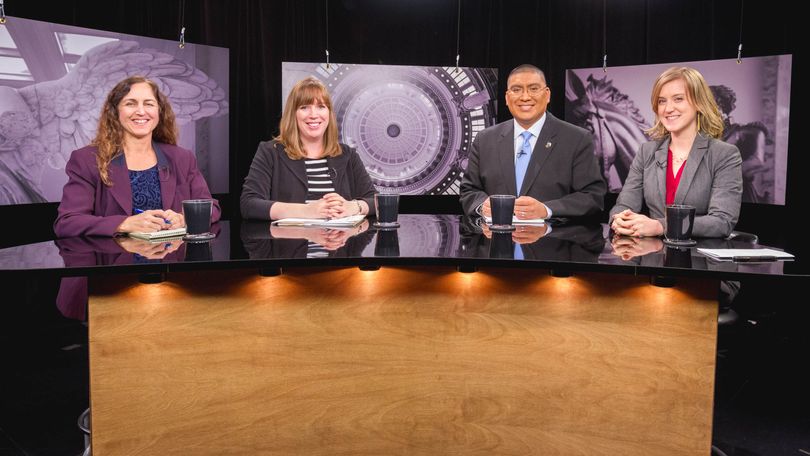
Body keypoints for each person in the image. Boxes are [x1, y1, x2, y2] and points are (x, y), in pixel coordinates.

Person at [54, 76, 221, 237]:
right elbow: (68, 222)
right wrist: (124, 224)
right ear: (115, 112)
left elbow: (211, 208)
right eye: (130, 104)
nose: (141, 112)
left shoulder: (182, 158)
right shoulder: (86, 160)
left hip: (171, 261)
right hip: (117, 262)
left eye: (149, 104)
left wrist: (184, 219)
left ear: (159, 111)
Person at [459, 64, 606, 220]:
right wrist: (482, 206)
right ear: (507, 98)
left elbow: (592, 197)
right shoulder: (484, 140)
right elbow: (469, 191)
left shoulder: (577, 139)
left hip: (553, 241)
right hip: (496, 241)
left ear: (547, 95)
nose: (525, 97)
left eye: (534, 88)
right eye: (516, 90)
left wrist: (546, 209)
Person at [610, 67, 742, 238]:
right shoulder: (646, 151)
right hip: (651, 256)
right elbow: (624, 204)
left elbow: (722, 222)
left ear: (699, 103)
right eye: (662, 101)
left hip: (698, 260)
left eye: (678, 99)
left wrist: (660, 226)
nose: (668, 108)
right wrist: (620, 218)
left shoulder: (724, 154)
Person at [241, 76, 375, 220]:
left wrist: (353, 207)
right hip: (286, 242)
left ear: (329, 113)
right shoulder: (270, 152)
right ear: (293, 114)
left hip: (338, 241)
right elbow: (249, 205)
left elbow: (376, 201)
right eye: (304, 107)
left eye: (321, 107)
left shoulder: (348, 154)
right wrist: (306, 210)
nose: (313, 115)